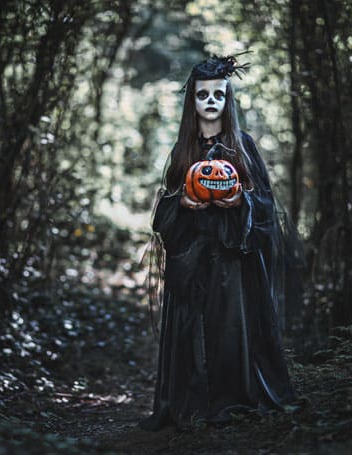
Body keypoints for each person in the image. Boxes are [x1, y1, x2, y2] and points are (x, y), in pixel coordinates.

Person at [139, 53, 303, 431]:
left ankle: (234, 400)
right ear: (192, 101)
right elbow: (163, 212)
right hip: (192, 262)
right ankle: (193, 403)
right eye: (203, 95)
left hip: (233, 263)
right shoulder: (182, 151)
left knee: (230, 330)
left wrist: (240, 201)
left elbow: (262, 204)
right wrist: (180, 202)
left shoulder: (243, 145)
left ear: (228, 101)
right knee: (192, 331)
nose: (210, 101)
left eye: (218, 95)